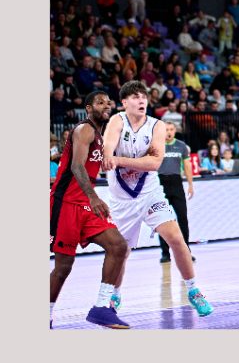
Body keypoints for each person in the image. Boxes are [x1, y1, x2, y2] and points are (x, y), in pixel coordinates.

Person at [101, 81, 213, 317]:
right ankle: (115, 293)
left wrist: (120, 161)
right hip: (122, 201)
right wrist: (113, 156)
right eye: (135, 97)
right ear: (124, 103)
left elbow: (154, 163)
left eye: (143, 97)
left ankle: (194, 291)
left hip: (150, 194)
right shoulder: (116, 121)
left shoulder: (157, 126)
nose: (141, 101)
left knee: (176, 237)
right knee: (121, 252)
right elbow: (107, 152)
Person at [50, 91, 131, 329]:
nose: (106, 104)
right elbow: (76, 166)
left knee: (118, 246)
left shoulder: (100, 135)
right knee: (63, 267)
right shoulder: (84, 129)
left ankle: (101, 307)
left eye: (108, 102)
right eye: (100, 102)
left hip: (85, 205)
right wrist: (94, 197)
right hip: (66, 204)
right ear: (88, 108)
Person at [157, 122, 196, 263]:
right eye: (166, 129)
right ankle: (165, 253)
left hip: (176, 183)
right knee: (162, 220)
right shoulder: (156, 145)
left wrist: (191, 184)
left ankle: (186, 251)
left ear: (175, 131)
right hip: (160, 184)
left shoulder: (181, 146)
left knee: (183, 219)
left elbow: (187, 165)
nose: (169, 132)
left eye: (171, 129)